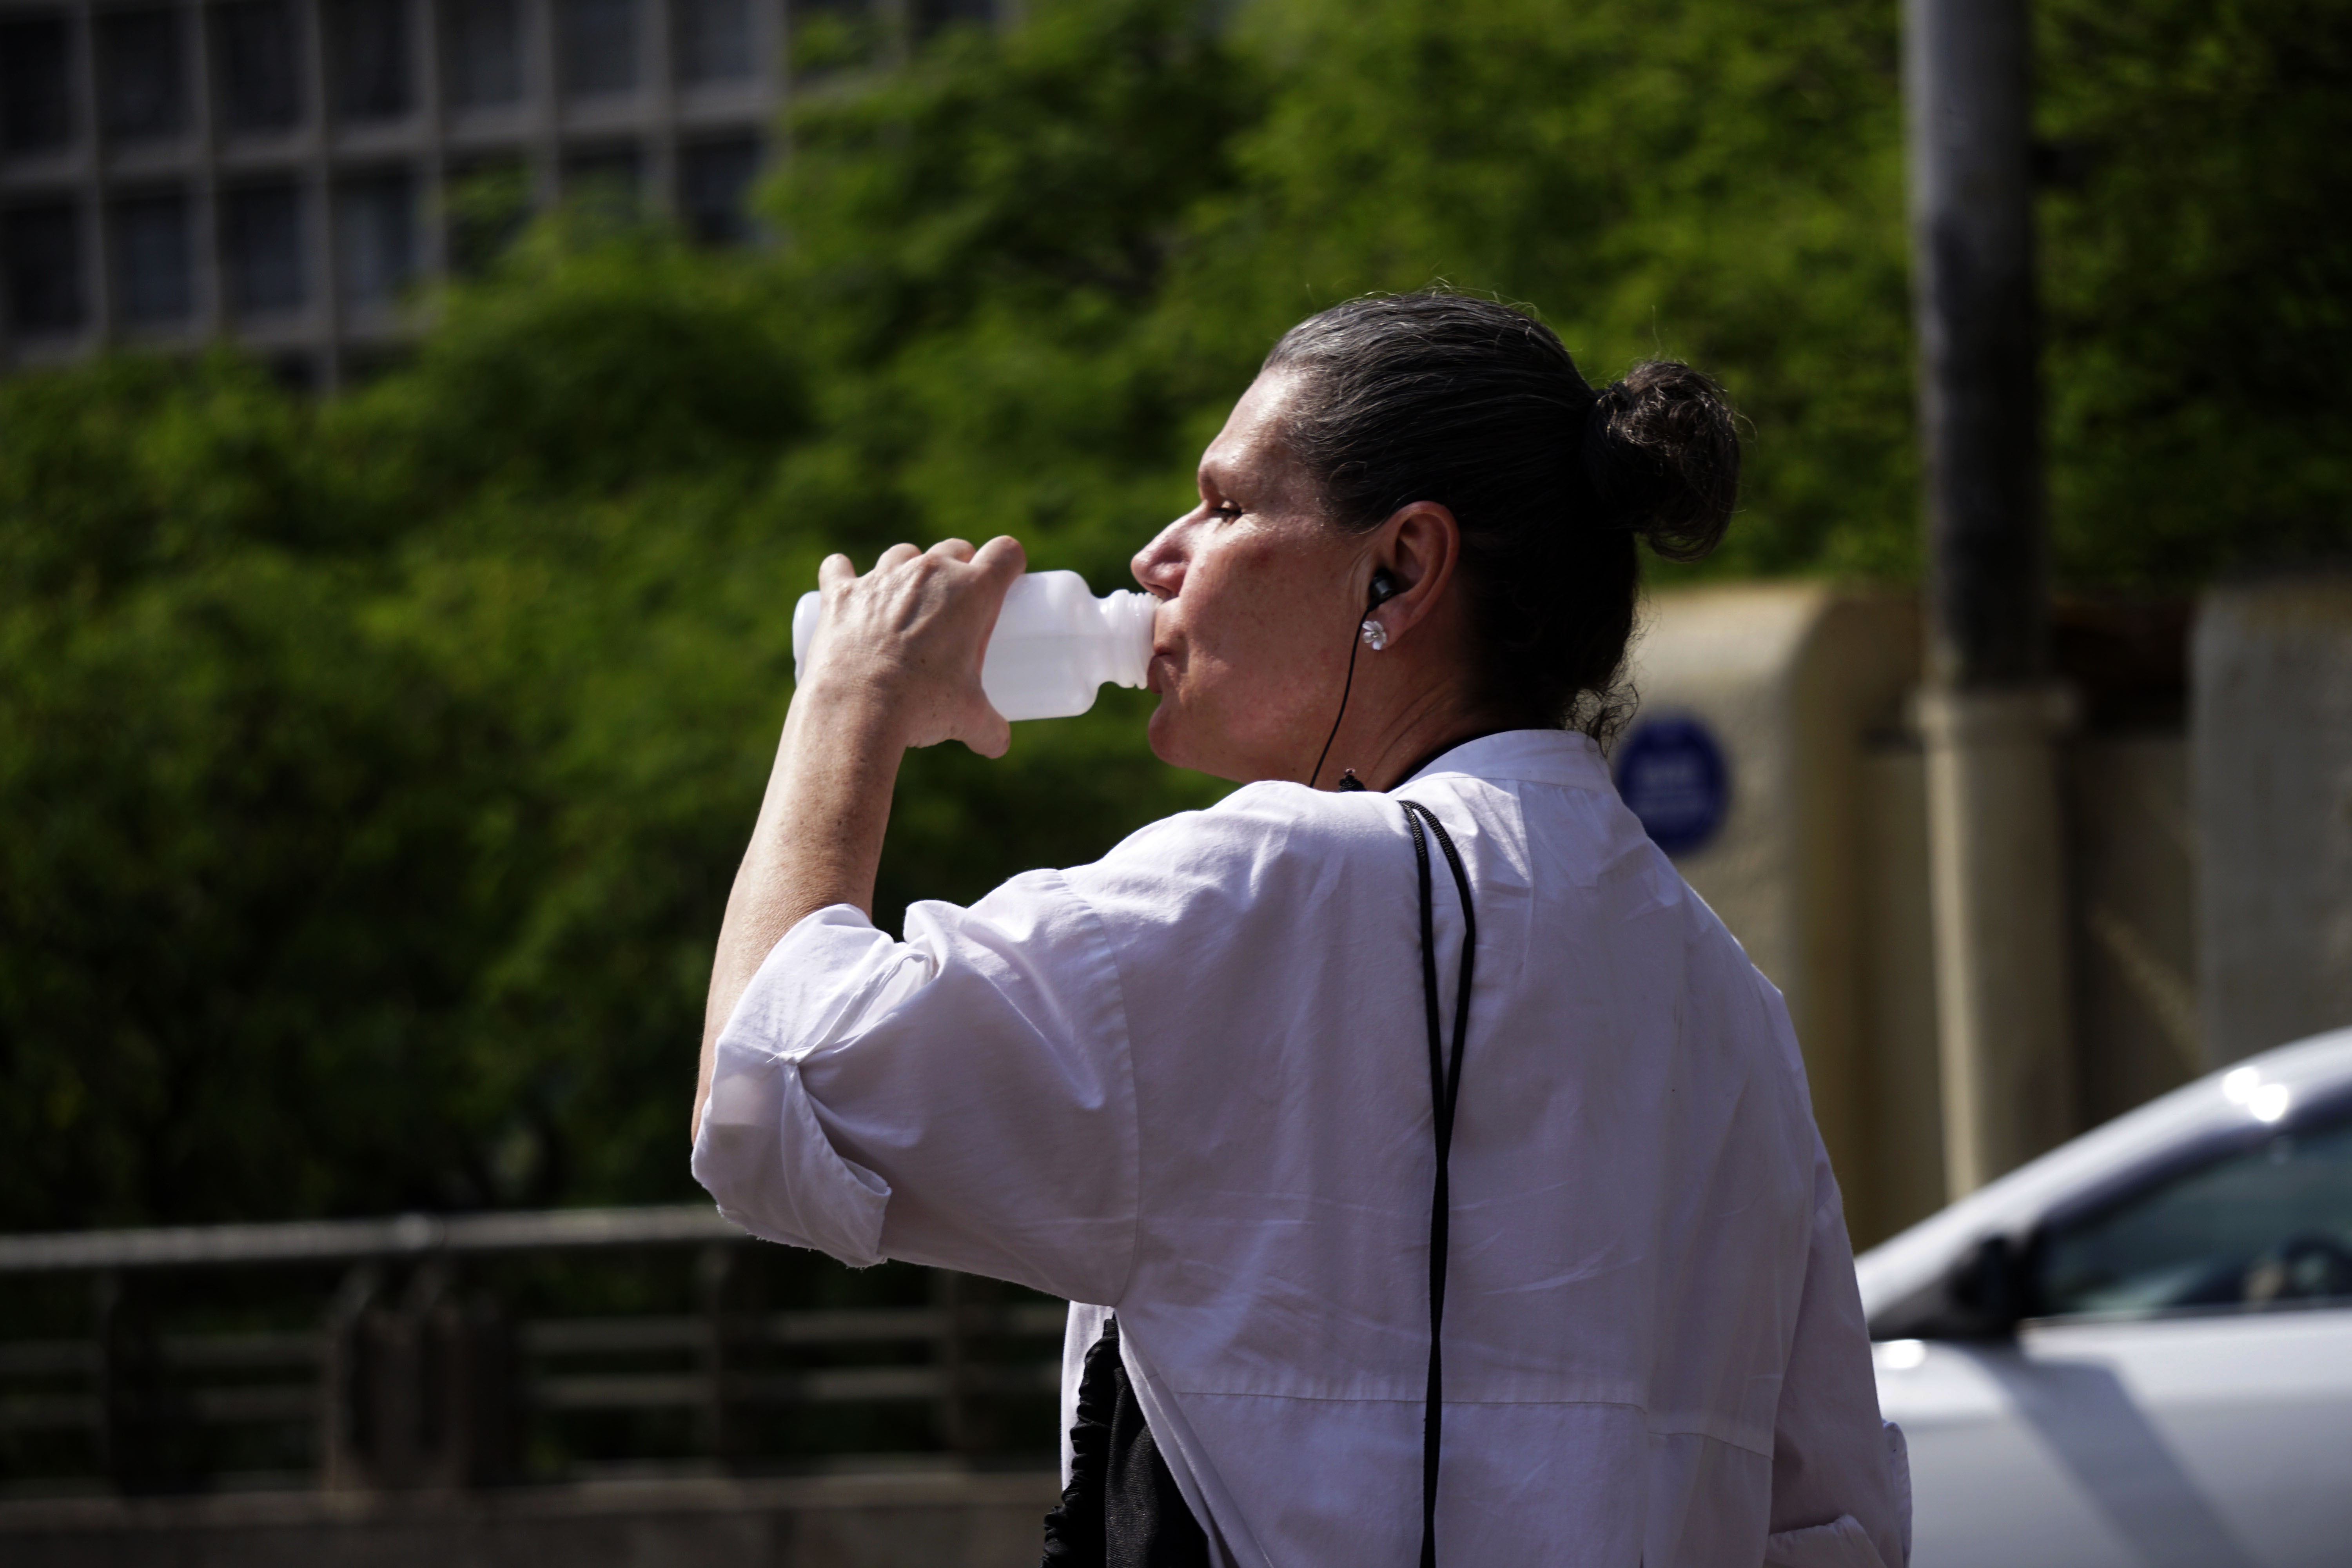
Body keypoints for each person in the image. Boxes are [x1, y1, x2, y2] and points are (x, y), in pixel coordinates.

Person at [690, 291, 1910, 1568]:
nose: (1158, 556)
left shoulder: (1281, 882)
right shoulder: (1724, 998)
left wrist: (848, 699)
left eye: (1222, 507)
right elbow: (1835, 1529)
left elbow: (771, 1089)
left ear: (1403, 566)